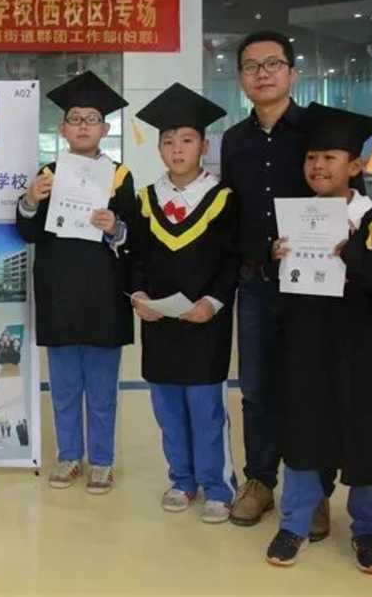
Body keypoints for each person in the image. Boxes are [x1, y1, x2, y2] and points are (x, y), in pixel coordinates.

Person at [265, 104, 372, 573]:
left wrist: (354, 253)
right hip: (308, 348)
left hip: (363, 353)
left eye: (330, 157)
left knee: (365, 439)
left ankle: (368, 530)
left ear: (354, 166)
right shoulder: (296, 216)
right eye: (311, 157)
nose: (318, 166)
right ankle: (294, 524)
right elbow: (284, 288)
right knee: (304, 432)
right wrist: (275, 256)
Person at [220, 30, 357, 533]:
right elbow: (231, 213)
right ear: (241, 78)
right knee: (256, 388)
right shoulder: (235, 140)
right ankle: (259, 481)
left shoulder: (317, 131)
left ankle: (314, 491)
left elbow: (348, 199)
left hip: (314, 284)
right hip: (257, 283)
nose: (262, 73)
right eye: (251, 66)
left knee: (311, 387)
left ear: (293, 73)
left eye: (272, 63)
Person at [15, 71, 135, 495]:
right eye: (75, 119)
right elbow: (28, 232)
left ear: (105, 129)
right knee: (64, 387)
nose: (83, 126)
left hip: (105, 295)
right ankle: (68, 456)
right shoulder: (47, 174)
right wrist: (30, 200)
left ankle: (101, 461)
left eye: (92, 119)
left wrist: (115, 226)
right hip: (59, 293)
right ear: (62, 129)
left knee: (102, 389)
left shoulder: (119, 176)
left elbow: (134, 237)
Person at [128, 84, 240, 524]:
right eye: (169, 141)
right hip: (159, 322)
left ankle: (218, 486)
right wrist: (139, 296)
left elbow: (231, 261)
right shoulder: (146, 200)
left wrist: (212, 303)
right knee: (168, 410)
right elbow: (135, 258)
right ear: (158, 148)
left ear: (204, 147)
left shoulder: (223, 199)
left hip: (205, 323)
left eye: (187, 140)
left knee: (206, 410)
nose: (177, 149)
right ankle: (181, 479)